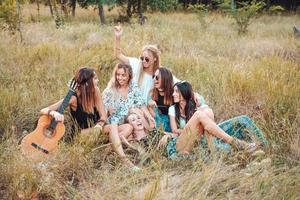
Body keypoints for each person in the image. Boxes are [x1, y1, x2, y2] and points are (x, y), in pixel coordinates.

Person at [41, 67, 136, 170]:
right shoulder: (73, 98)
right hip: (82, 134)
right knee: (113, 127)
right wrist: (54, 113)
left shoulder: (96, 91)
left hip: (97, 129)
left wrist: (99, 126)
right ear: (87, 82)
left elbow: (103, 115)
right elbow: (44, 110)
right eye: (95, 79)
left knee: (128, 127)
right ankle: (125, 161)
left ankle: (107, 150)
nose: (98, 81)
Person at [164, 81, 259, 159]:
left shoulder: (194, 106)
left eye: (176, 91)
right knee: (199, 115)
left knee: (207, 112)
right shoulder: (172, 109)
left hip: (196, 140)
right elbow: (175, 130)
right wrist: (192, 128)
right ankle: (234, 142)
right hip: (180, 141)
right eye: (174, 91)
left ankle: (213, 148)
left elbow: (209, 116)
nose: (173, 94)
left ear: (184, 93)